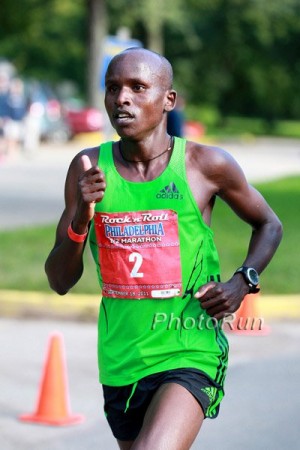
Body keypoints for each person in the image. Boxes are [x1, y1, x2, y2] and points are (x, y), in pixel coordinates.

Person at [45, 48, 282, 450]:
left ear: (168, 100)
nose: (122, 98)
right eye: (113, 88)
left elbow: (269, 225)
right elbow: (60, 280)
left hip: (189, 348)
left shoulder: (204, 164)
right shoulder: (88, 167)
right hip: (122, 360)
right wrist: (82, 220)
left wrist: (242, 283)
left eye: (138, 88)